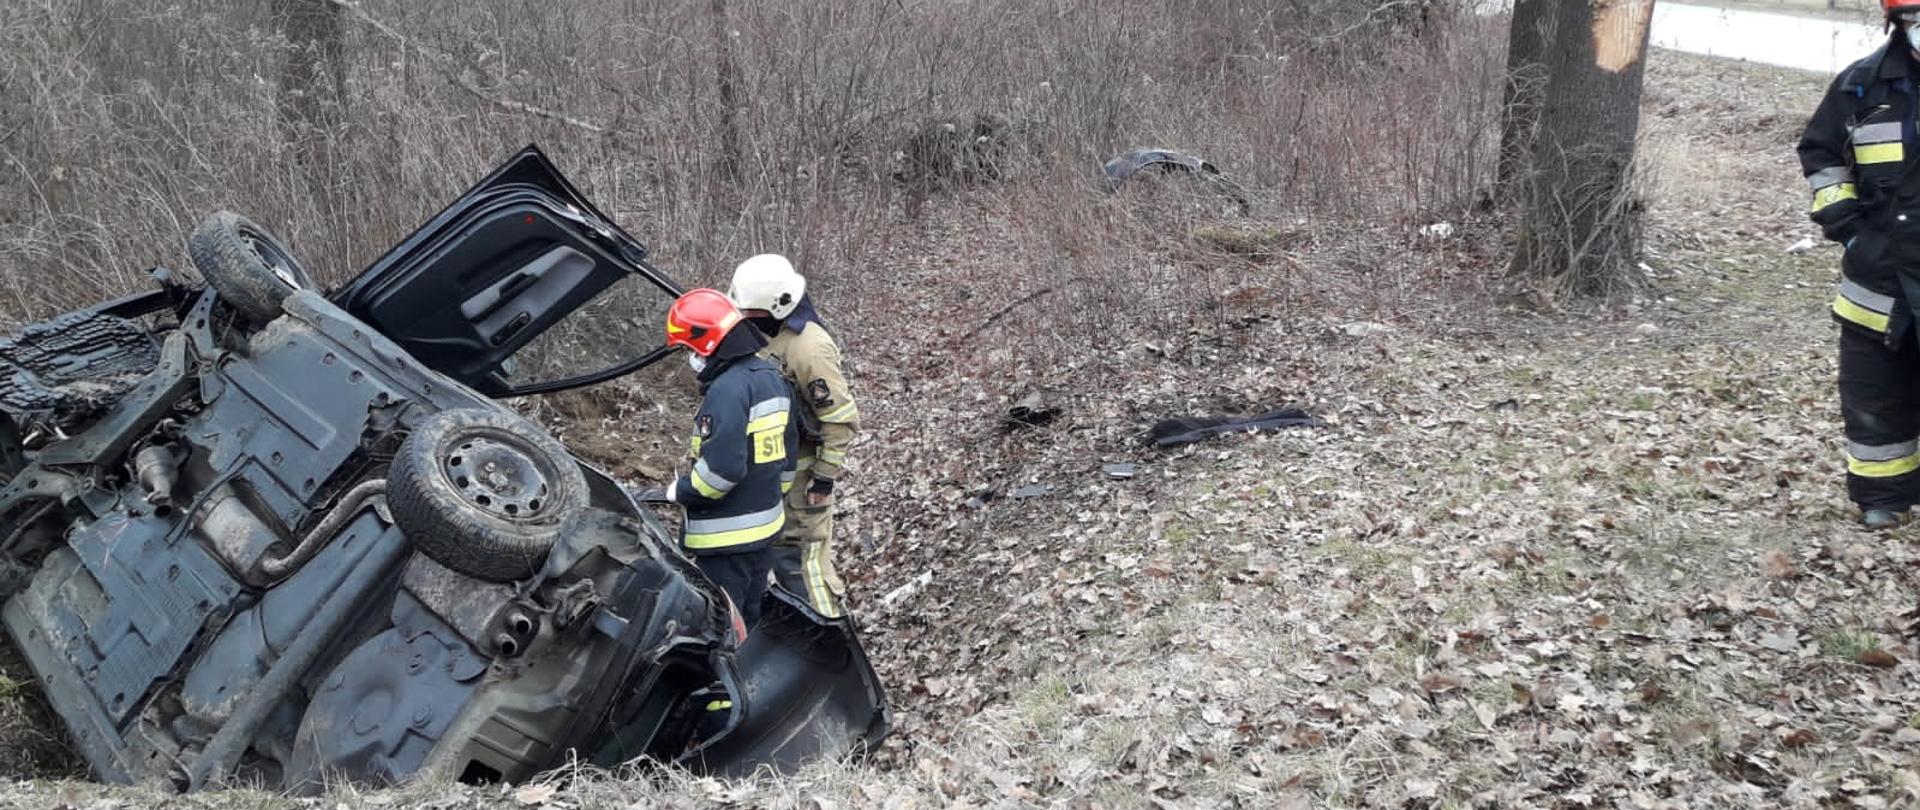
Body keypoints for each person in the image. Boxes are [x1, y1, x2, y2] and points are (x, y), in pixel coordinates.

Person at [1798, 0, 1920, 529]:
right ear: (1898, 22)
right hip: (1880, 282)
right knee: (1875, 394)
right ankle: (1883, 499)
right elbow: (1820, 152)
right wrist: (1849, 230)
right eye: (1915, 18)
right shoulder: (1861, 87)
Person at [728, 255, 859, 617]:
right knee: (785, 565)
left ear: (776, 306)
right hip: (776, 478)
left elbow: (840, 421)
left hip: (803, 484)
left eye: (750, 313)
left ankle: (829, 635)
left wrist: (823, 479)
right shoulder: (771, 339)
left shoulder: (808, 348)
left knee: (805, 567)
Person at [661, 288, 797, 628]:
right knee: (747, 623)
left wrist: (680, 491)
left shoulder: (726, 391)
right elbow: (788, 456)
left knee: (720, 629)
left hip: (725, 544)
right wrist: (768, 497)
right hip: (765, 534)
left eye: (689, 349)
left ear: (706, 343)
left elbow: (722, 472)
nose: (689, 357)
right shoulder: (771, 379)